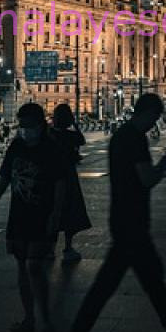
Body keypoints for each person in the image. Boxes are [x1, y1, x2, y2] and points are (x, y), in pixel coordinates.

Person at [60, 94, 166, 332]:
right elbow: (146, 179)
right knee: (105, 290)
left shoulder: (121, 136)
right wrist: (164, 165)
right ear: (147, 113)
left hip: (126, 219)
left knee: (151, 280)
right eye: (155, 118)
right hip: (131, 224)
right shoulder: (134, 139)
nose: (154, 124)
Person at [0, 104, 67, 332]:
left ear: (41, 125)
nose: (25, 130)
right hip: (19, 214)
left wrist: (56, 214)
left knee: (33, 266)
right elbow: (5, 177)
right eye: (22, 126)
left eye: (29, 126)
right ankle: (30, 319)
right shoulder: (17, 146)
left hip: (42, 215)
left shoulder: (51, 149)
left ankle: (44, 319)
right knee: (22, 267)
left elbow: (61, 184)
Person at [49, 103, 92, 263]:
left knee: (52, 211)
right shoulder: (70, 136)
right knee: (70, 212)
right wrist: (75, 124)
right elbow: (82, 140)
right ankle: (68, 247)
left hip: (51, 177)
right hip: (68, 176)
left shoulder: (49, 134)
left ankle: (51, 250)